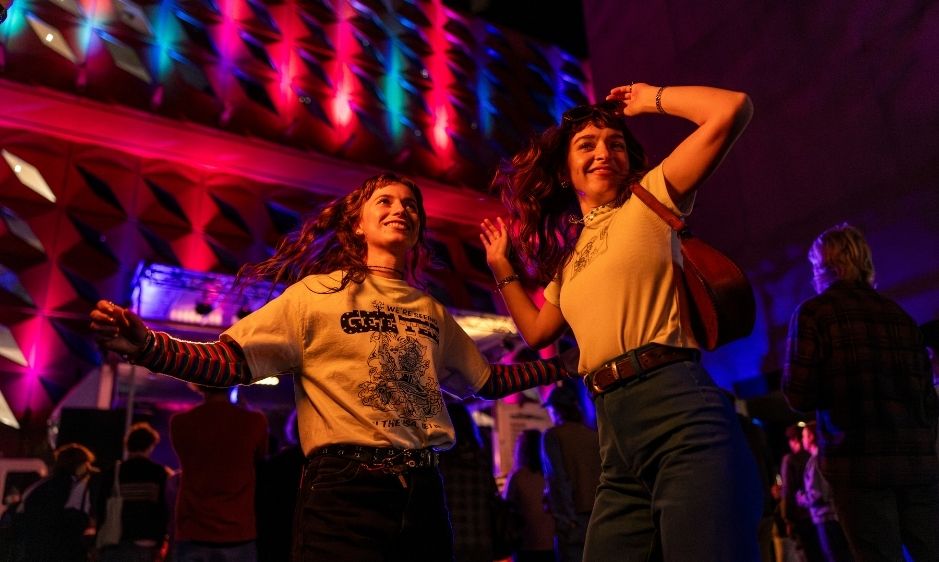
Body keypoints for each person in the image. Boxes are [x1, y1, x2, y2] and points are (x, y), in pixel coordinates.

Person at [90, 173, 573, 561]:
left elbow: (487, 382)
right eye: (385, 201)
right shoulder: (315, 295)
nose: (400, 209)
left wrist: (564, 368)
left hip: (424, 490)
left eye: (410, 205)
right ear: (358, 224)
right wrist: (147, 346)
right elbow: (228, 361)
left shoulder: (430, 310)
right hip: (344, 491)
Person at [479, 82, 762, 561]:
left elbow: (732, 108)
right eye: (586, 145)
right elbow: (538, 333)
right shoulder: (568, 264)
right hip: (613, 437)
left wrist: (651, 97)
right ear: (566, 173)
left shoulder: (652, 197)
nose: (602, 151)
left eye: (614, 143)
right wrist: (502, 270)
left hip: (680, 411)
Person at [783, 223, 939, 562]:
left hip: (857, 469)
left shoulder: (813, 315)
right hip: (917, 465)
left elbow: (799, 396)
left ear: (825, 267)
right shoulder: (901, 318)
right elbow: (929, 401)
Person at [170, 384, 268, 561]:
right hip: (238, 529)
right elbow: (260, 458)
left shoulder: (180, 422)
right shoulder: (255, 421)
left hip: (193, 527)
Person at [95, 421, 174, 562]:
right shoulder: (159, 473)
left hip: (115, 540)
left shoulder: (114, 472)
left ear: (128, 445)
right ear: (151, 446)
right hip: (146, 540)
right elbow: (164, 509)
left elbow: (101, 507)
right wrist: (160, 541)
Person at [540, 384, 599, 562]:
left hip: (573, 518)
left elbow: (558, 480)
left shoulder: (553, 436)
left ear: (555, 410)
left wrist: (565, 520)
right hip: (599, 514)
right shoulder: (593, 435)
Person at [12, 443, 98, 562]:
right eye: (86, 463)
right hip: (63, 552)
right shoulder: (75, 487)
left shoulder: (38, 486)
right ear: (79, 464)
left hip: (34, 551)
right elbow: (77, 519)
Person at [438, 402, 498, 562]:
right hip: (481, 539)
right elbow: (491, 495)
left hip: (448, 539)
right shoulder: (481, 460)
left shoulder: (440, 461)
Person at [795, 422, 851, 562]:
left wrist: (800, 498)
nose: (802, 440)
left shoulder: (816, 461)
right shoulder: (824, 456)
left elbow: (818, 494)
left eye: (804, 436)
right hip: (833, 517)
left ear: (812, 436)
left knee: (834, 557)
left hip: (826, 518)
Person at [504, 429, 555, 562]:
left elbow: (506, 507)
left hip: (526, 541)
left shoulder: (518, 477)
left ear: (521, 450)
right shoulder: (551, 475)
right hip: (552, 541)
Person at [780, 423, 821, 562]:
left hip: (801, 517)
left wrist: (788, 519)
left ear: (793, 440)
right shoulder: (815, 456)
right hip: (816, 514)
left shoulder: (789, 460)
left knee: (805, 555)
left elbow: (788, 491)